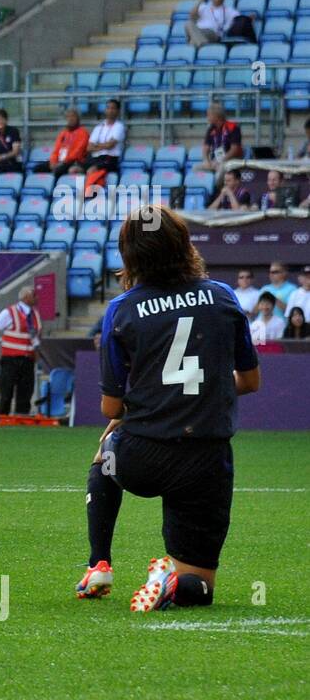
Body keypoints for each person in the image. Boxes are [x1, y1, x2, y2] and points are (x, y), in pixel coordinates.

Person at [79, 205, 260, 611]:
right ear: (185, 246)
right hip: (206, 462)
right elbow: (249, 381)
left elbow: (112, 404)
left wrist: (154, 397)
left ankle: (99, 563)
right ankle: (172, 581)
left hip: (142, 455)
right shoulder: (223, 297)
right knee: (199, 588)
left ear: (131, 257)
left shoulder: (121, 310)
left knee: (107, 445)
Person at [0, 286, 40, 415]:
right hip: (11, 359)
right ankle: (3, 419)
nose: (37, 298)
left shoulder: (35, 315)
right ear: (26, 298)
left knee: (25, 394)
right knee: (6, 393)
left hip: (28, 359)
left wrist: (37, 354)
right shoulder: (10, 312)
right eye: (34, 295)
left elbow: (36, 337)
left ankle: (21, 421)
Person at [33, 109, 89, 178]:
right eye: (68, 117)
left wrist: (63, 162)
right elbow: (56, 150)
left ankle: (57, 187)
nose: (70, 119)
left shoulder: (83, 133)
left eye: (73, 116)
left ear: (78, 118)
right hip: (59, 161)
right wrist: (53, 162)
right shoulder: (63, 133)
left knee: (59, 170)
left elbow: (77, 152)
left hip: (73, 162)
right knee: (37, 168)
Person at [85, 98, 125, 180]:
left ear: (118, 111)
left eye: (113, 108)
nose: (110, 110)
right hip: (96, 158)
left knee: (92, 170)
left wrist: (97, 145)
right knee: (75, 169)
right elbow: (89, 147)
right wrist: (104, 145)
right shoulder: (99, 127)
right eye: (108, 108)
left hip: (110, 158)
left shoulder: (119, 126)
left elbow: (110, 145)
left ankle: (90, 192)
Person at [197, 103, 242, 172]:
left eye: (209, 115)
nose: (207, 117)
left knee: (220, 169)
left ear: (217, 116)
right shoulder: (211, 129)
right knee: (196, 168)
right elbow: (206, 148)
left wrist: (221, 160)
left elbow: (234, 150)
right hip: (215, 161)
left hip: (230, 160)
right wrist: (206, 161)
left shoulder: (233, 128)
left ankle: (219, 182)